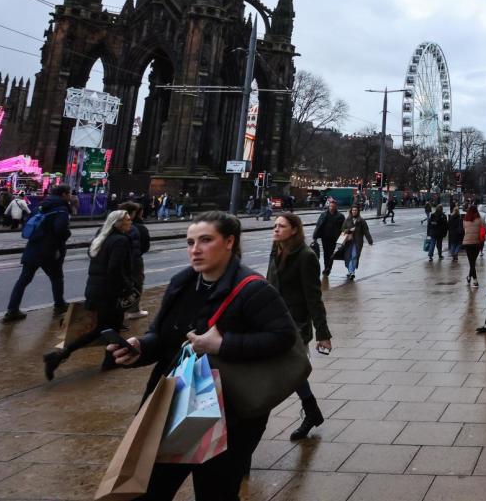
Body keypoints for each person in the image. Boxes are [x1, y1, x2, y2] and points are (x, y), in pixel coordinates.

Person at [108, 211, 298, 500]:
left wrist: (222, 345)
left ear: (229, 242)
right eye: (190, 242)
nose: (195, 249)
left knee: (215, 493)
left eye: (205, 240)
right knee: (147, 490)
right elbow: (162, 336)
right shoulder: (181, 283)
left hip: (228, 416)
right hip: (173, 407)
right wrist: (140, 348)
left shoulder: (253, 289)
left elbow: (284, 337)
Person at [43, 209, 134, 379]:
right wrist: (127, 286)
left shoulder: (102, 238)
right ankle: (58, 356)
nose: (130, 222)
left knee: (108, 328)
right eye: (127, 220)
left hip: (95, 290)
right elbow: (114, 268)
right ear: (118, 223)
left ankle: (109, 360)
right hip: (109, 292)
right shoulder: (120, 241)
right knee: (106, 328)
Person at [267, 213, 333, 440]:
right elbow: (268, 286)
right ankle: (312, 411)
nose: (275, 229)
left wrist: (323, 333)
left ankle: (310, 411)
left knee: (286, 371)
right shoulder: (276, 249)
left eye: (281, 226)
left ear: (294, 229)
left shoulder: (306, 256)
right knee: (290, 371)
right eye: (275, 225)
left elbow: (313, 298)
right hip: (271, 321)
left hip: (295, 325)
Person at [4, 185, 73, 321]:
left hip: (33, 248)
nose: (70, 196)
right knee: (57, 278)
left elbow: (27, 222)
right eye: (69, 193)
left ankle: (12, 310)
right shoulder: (61, 209)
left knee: (23, 280)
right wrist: (66, 235)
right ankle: (59, 304)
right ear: (64, 194)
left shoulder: (42, 206)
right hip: (50, 251)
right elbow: (60, 230)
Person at [120, 201, 151, 319]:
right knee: (136, 284)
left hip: (118, 262)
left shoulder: (112, 226)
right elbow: (145, 247)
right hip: (135, 262)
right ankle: (133, 310)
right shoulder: (139, 228)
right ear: (133, 213)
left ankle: (119, 309)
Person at [311, 198, 346, 277]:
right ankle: (326, 267)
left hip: (334, 238)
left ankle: (328, 268)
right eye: (330, 206)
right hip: (325, 237)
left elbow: (344, 228)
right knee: (326, 254)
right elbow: (318, 225)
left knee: (331, 253)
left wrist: (342, 239)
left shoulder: (340, 216)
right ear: (328, 206)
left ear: (336, 207)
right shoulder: (324, 214)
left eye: (333, 206)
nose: (331, 208)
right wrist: (315, 236)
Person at [340, 204, 373, 280]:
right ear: (351, 211)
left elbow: (366, 231)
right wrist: (349, 230)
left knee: (354, 256)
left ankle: (352, 272)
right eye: (353, 210)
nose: (354, 211)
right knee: (348, 257)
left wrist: (370, 240)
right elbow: (342, 229)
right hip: (348, 241)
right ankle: (350, 271)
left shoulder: (361, 221)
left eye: (355, 210)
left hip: (357, 242)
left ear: (358, 211)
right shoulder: (347, 220)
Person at [461, 205, 485, 286]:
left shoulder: (465, 220)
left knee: (472, 262)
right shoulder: (480, 219)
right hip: (477, 242)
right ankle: (475, 280)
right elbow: (485, 230)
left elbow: (464, 230)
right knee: (473, 262)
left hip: (467, 242)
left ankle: (469, 277)